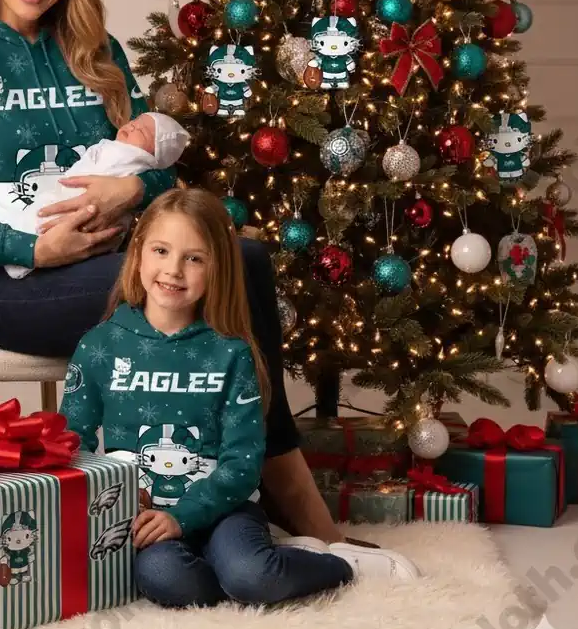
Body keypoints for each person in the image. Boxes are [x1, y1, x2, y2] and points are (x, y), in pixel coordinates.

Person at [0, 0, 411, 565]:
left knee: (241, 258)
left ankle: (255, 487)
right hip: (4, 285)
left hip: (110, 257)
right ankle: (287, 493)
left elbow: (162, 171)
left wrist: (125, 196)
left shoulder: (94, 49)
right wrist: (34, 246)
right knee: (222, 271)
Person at [61, 188, 409, 607]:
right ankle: (257, 568)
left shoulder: (230, 352)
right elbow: (71, 443)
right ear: (137, 255)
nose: (173, 270)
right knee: (163, 578)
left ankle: (341, 565)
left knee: (250, 575)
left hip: (227, 510)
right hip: (145, 521)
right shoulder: (100, 345)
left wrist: (183, 516)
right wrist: (111, 493)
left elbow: (243, 464)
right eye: (161, 250)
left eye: (194, 258)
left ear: (217, 269)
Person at [0, 110, 190, 278]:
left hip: (82, 227)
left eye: (144, 132)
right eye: (136, 120)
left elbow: (167, 173)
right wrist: (31, 251)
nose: (134, 124)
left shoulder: (129, 156)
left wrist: (136, 187)